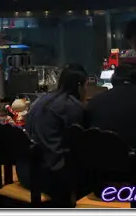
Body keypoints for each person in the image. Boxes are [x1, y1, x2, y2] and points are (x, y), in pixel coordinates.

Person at [16, 63, 88, 207]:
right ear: (79, 85)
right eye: (86, 86)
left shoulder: (42, 99)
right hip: (49, 178)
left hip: (25, 172)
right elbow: (81, 142)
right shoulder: (72, 106)